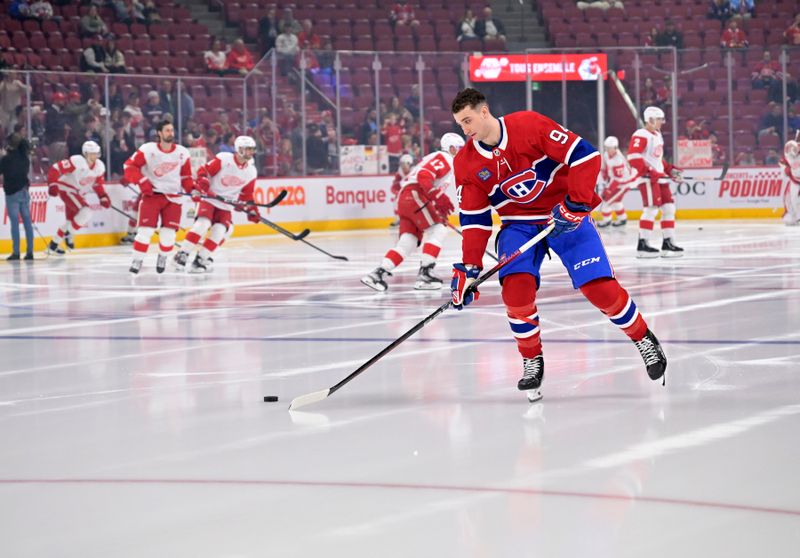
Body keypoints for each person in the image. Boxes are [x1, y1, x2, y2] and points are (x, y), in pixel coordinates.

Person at [448, 88, 667, 401]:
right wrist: (469, 267)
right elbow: (475, 220)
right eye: (460, 124)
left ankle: (643, 338)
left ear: (484, 112)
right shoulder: (467, 163)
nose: (465, 129)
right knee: (516, 293)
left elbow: (585, 155)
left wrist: (576, 204)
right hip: (517, 226)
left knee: (601, 290)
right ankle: (531, 361)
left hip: (565, 215)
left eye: (468, 120)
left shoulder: (528, 125)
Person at [361, 133, 464, 292]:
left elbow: (419, 180)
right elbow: (424, 176)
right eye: (459, 148)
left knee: (408, 242)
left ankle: (377, 274)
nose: (462, 152)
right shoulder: (446, 158)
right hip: (415, 195)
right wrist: (437, 197)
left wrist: (434, 202)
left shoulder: (437, 158)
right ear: (451, 148)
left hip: (407, 198)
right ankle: (425, 274)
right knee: (438, 229)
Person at [174, 136, 258, 272]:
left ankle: (200, 259)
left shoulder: (251, 171)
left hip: (225, 206)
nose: (251, 152)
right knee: (203, 225)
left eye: (252, 149)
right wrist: (203, 184)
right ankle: (182, 254)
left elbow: (246, 195)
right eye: (248, 149)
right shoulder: (224, 159)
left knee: (219, 231)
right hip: (209, 199)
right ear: (240, 149)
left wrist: (251, 209)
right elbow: (204, 171)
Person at [123, 120, 193, 274]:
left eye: (172, 130)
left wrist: (192, 190)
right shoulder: (148, 149)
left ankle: (163, 256)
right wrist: (142, 181)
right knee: (145, 232)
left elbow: (186, 176)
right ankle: (137, 259)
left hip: (174, 199)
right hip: (152, 196)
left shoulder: (182, 152)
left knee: (168, 236)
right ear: (159, 133)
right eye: (167, 130)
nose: (171, 133)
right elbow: (129, 166)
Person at [627, 106, 684, 257]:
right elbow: (633, 157)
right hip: (647, 179)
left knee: (669, 208)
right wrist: (650, 171)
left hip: (658, 178)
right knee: (651, 209)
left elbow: (658, 160)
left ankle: (668, 243)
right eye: (659, 119)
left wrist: (670, 170)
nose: (662, 122)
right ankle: (643, 244)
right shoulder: (640, 135)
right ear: (650, 119)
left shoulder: (657, 135)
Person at [45, 141, 109, 254]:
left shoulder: (99, 167)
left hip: (77, 192)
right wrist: (53, 184)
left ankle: (53, 245)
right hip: (66, 189)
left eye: (96, 153)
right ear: (85, 153)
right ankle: (69, 234)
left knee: (70, 221)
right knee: (87, 211)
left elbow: (98, 184)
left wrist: (103, 196)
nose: (95, 156)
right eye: (92, 153)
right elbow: (55, 169)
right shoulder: (77, 161)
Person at [0, 127, 34, 261]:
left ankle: (16, 252)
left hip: (12, 193)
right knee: (27, 222)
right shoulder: (25, 159)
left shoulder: (6, 159)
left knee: (14, 223)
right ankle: (30, 252)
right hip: (24, 191)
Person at [596, 136, 633, 228]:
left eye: (610, 148)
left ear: (615, 148)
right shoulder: (606, 154)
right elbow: (604, 168)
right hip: (617, 182)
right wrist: (604, 178)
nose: (608, 150)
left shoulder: (618, 160)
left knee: (606, 201)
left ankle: (606, 221)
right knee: (616, 201)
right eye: (606, 148)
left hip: (623, 184)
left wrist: (608, 190)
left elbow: (618, 179)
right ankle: (622, 219)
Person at [389, 153, 414, 227]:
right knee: (396, 200)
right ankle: (398, 219)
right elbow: (394, 187)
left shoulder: (415, 172)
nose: (403, 167)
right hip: (404, 194)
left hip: (414, 193)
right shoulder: (399, 174)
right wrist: (397, 193)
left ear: (410, 164)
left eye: (405, 164)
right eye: (402, 164)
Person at [780, 139, 800, 226]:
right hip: (795, 180)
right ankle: (794, 216)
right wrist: (785, 170)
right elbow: (782, 165)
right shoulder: (788, 154)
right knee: (793, 199)